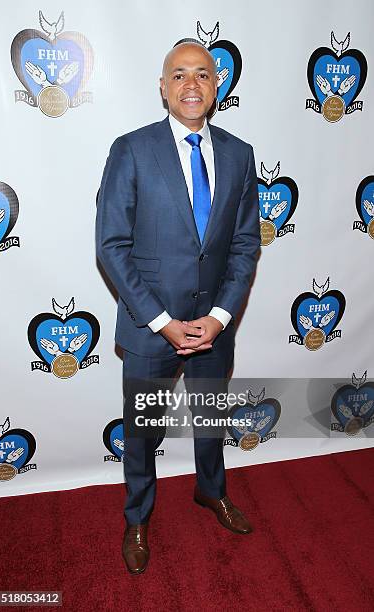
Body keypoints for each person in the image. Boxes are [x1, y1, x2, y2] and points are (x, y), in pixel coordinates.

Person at [95, 40, 261, 574]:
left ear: (217, 86)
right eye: (179, 75)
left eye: (203, 75)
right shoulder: (132, 149)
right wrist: (164, 323)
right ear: (163, 86)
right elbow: (112, 246)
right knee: (142, 431)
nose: (192, 84)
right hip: (151, 330)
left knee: (210, 419)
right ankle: (138, 516)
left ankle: (211, 492)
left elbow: (244, 244)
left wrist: (221, 316)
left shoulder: (239, 153)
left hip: (215, 327)